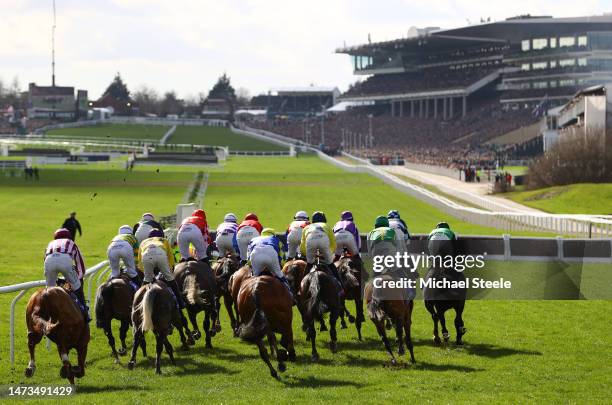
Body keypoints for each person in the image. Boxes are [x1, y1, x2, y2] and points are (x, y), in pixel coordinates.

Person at [44, 228, 90, 321]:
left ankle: (46, 315)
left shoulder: (50, 244)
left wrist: (53, 278)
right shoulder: (70, 242)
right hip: (65, 260)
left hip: (49, 261)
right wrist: (77, 278)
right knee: (77, 287)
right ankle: (85, 313)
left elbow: (45, 261)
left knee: (49, 290)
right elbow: (80, 264)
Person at [367, 216, 414, 300]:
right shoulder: (392, 231)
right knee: (403, 276)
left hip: (377, 260)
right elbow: (399, 249)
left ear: (376, 225)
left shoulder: (370, 233)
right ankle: (409, 293)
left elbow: (370, 253)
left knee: (371, 280)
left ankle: (369, 296)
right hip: (391, 259)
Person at [138, 229, 185, 309]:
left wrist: (146, 273)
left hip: (146, 255)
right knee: (170, 279)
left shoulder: (144, 242)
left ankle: (138, 303)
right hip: (160, 253)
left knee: (146, 280)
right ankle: (180, 302)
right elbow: (170, 256)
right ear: (161, 235)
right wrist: (170, 270)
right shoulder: (164, 240)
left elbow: (140, 260)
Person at [300, 211, 343, 290]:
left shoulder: (307, 227)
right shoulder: (326, 226)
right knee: (330, 264)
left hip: (310, 240)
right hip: (323, 240)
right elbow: (333, 243)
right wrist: (327, 254)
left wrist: (309, 255)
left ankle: (301, 287)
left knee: (309, 264)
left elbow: (302, 247)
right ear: (324, 220)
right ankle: (341, 285)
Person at [247, 228, 291, 295]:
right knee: (280, 275)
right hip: (271, 254)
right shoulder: (276, 239)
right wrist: (280, 266)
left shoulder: (253, 239)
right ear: (273, 234)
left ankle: (248, 294)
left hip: (255, 254)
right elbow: (282, 255)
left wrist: (251, 265)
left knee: (254, 277)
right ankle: (290, 293)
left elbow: (248, 255)